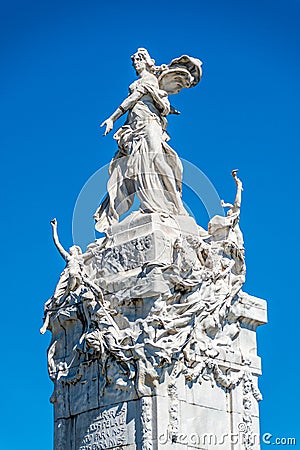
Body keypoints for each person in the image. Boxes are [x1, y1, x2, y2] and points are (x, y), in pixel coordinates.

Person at [94, 48, 202, 233]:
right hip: (134, 126)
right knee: (140, 167)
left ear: (147, 61)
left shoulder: (149, 80)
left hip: (149, 124)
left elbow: (133, 99)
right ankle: (152, 202)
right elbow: (149, 101)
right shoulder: (142, 82)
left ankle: (176, 202)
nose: (136, 62)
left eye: (140, 59)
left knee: (157, 159)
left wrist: (112, 118)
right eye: (134, 60)